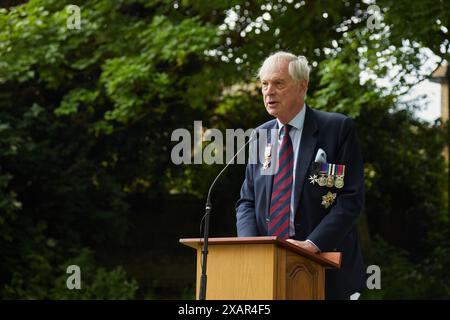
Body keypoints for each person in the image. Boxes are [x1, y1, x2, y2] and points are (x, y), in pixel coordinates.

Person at [235, 51, 365, 300]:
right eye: (264, 84)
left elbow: (349, 199)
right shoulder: (260, 136)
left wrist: (312, 245)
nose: (268, 91)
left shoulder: (336, 129)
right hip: (268, 270)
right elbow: (247, 202)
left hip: (326, 269)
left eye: (278, 83)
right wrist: (252, 247)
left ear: (301, 86)